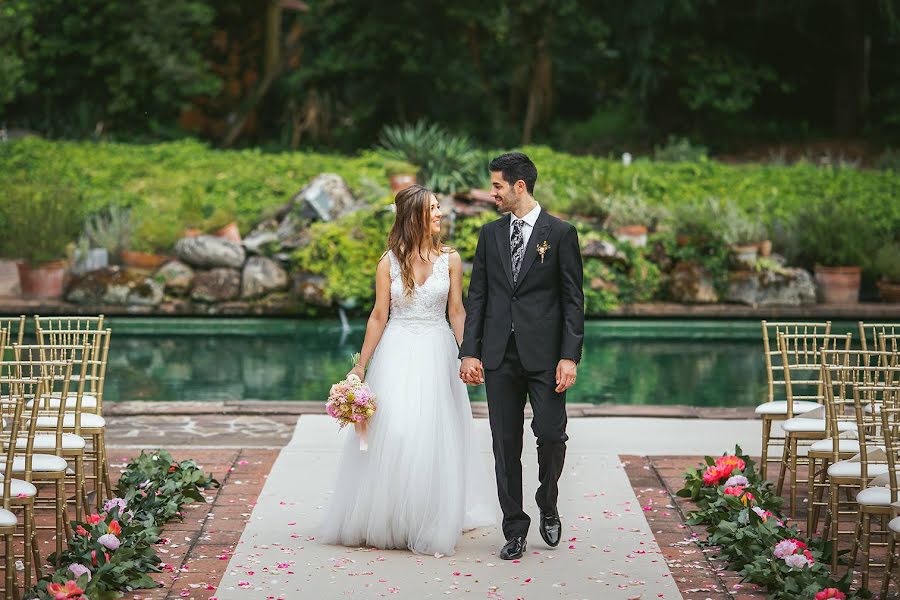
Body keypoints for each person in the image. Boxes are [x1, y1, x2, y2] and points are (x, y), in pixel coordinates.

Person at [319, 184, 495, 556]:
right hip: (396, 352)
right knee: (396, 432)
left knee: (433, 435)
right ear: (414, 215)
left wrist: (469, 355)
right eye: (432, 209)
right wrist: (360, 368)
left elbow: (457, 312)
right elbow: (379, 316)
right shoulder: (388, 262)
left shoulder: (452, 259)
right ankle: (389, 517)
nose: (439, 214)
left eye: (438, 208)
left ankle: (426, 517)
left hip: (437, 352)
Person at [459, 152, 584, 560]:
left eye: (496, 185)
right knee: (504, 445)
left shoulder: (561, 233)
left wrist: (570, 357)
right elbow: (477, 296)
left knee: (550, 436)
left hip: (547, 357)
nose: (491, 192)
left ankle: (548, 501)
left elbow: (573, 301)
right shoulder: (489, 235)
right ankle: (514, 527)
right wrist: (469, 352)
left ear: (519, 186)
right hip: (498, 357)